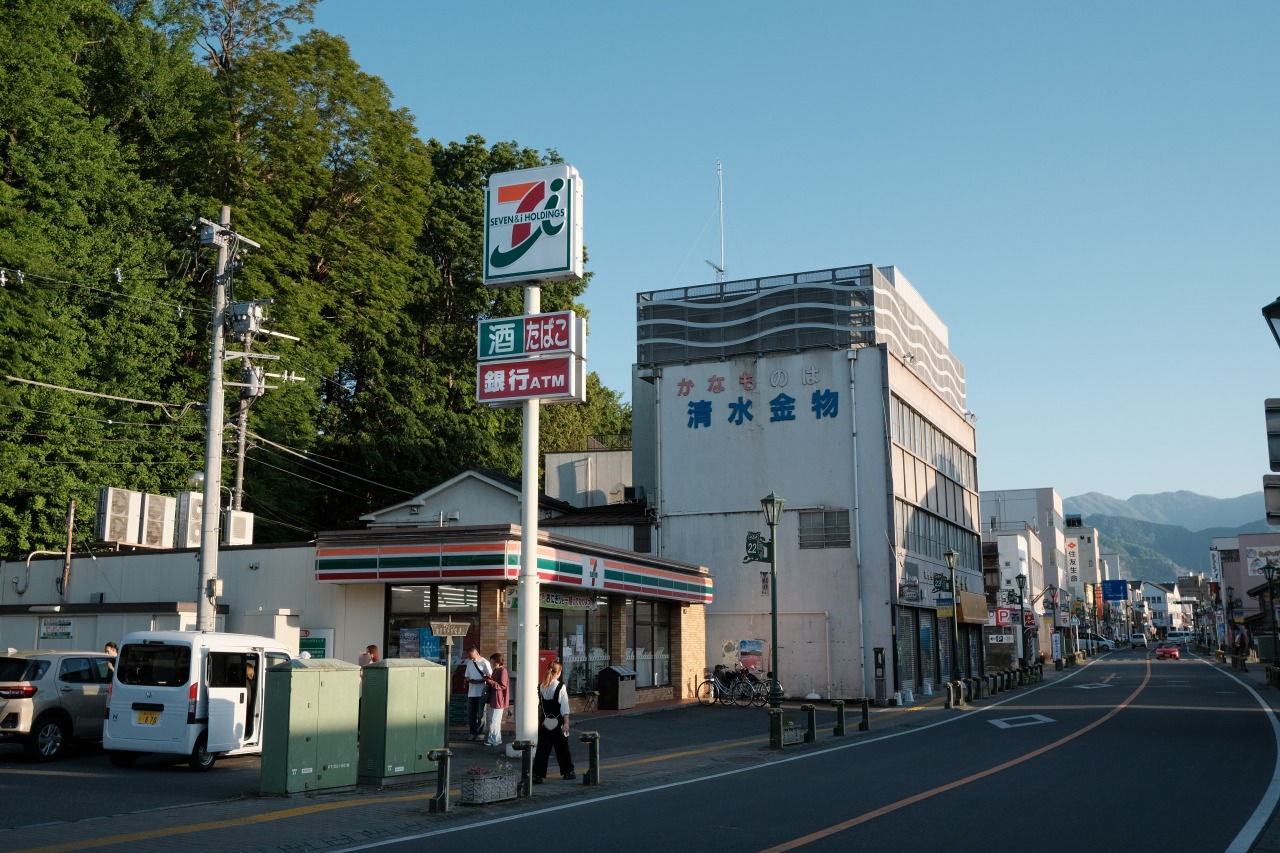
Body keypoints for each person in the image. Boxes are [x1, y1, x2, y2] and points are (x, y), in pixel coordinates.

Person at [532, 660, 575, 783]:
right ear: (559, 672)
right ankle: (568, 771)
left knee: (543, 748)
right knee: (562, 747)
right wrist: (566, 723)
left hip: (545, 722)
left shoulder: (541, 686)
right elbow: (564, 707)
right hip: (558, 721)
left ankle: (537, 774)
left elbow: (541, 706)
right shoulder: (561, 686)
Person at [464, 646, 493, 742]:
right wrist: (468, 680)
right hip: (471, 692)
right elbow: (466, 676)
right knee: (470, 714)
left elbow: (490, 677)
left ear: (477, 653)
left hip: (481, 691)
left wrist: (481, 680)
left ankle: (481, 733)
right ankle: (472, 732)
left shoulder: (485, 663)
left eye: (472, 657)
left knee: (481, 714)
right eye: (470, 657)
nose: (471, 659)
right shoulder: (469, 663)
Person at [482, 652, 509, 747]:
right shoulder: (496, 670)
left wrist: (491, 682)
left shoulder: (503, 671)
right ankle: (496, 739)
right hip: (495, 697)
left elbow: (503, 685)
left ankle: (493, 740)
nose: (492, 663)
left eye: (493, 661)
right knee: (493, 720)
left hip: (499, 698)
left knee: (494, 720)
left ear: (497, 661)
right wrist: (489, 680)